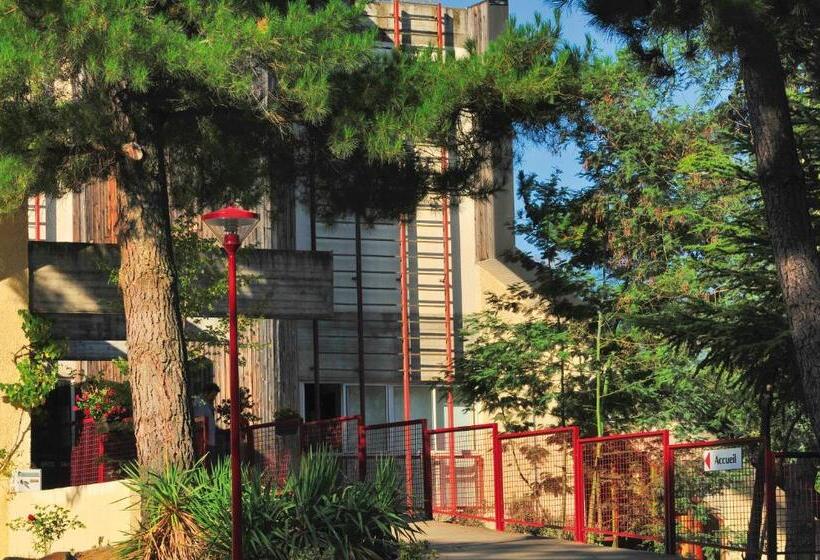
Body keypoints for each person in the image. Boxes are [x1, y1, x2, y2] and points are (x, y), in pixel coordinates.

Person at [192, 382, 220, 460]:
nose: (214, 398)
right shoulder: (199, 403)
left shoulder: (207, 404)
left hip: (210, 437)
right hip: (203, 439)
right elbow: (197, 419)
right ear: (206, 393)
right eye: (213, 395)